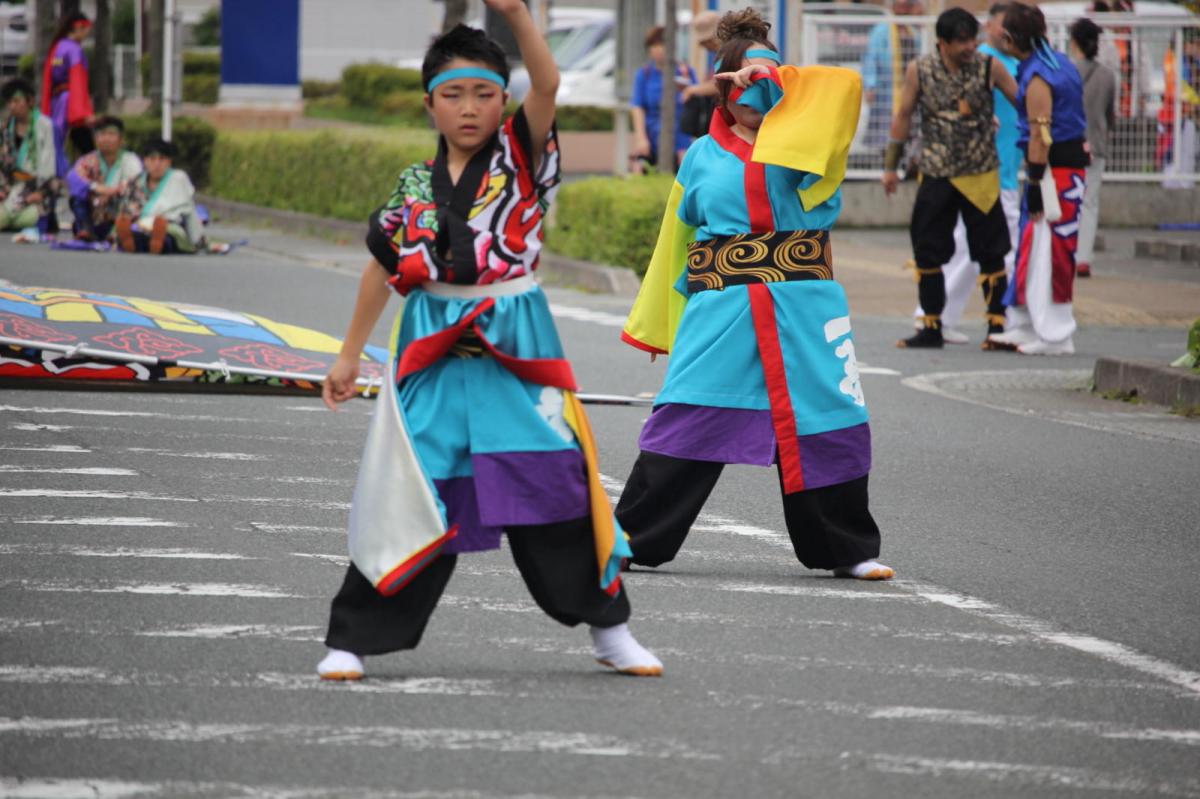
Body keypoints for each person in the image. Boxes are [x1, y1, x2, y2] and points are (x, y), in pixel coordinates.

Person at [315, 0, 662, 682]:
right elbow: (382, 269)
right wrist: (349, 354)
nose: (469, 108)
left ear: (504, 100)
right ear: (429, 105)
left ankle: (610, 630)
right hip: (434, 358)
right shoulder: (413, 184)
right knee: (412, 492)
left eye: (483, 93)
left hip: (516, 357)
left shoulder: (521, 156)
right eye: (453, 95)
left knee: (553, 486)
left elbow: (549, 84)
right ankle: (352, 639)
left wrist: (516, 15)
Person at [617, 9, 893, 582]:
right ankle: (631, 540)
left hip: (803, 307)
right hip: (721, 309)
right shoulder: (701, 154)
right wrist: (659, 324)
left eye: (765, 79)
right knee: (687, 417)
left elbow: (842, 90)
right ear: (719, 89)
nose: (750, 92)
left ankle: (845, 548)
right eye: (738, 81)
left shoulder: (808, 144)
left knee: (826, 420)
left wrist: (768, 77)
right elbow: (675, 242)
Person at [883, 8, 1019, 349]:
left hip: (980, 173)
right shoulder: (920, 70)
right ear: (942, 43)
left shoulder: (990, 66)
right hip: (937, 172)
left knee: (992, 252)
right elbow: (903, 115)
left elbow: (1023, 102)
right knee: (927, 250)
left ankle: (997, 327)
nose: (970, 47)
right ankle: (931, 327)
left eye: (972, 39)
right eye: (962, 41)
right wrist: (890, 167)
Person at [989, 3, 1089, 356]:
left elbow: (1039, 135)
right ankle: (1025, 324)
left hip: (1054, 172)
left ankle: (1056, 334)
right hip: (1053, 169)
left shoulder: (1039, 76)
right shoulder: (1056, 62)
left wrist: (1033, 183)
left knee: (1052, 251)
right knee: (1032, 248)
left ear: (1009, 37)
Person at [1069, 18, 1116, 278]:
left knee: (1067, 200)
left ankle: (1065, 251)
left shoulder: (1066, 72)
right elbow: (1110, 116)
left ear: (1074, 42)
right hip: (1096, 146)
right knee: (1089, 202)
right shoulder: (1108, 76)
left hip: (1068, 144)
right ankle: (1083, 258)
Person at [114, 138, 206, 254]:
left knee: (169, 239)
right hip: (142, 226)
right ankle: (133, 243)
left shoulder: (178, 178)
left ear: (169, 162)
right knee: (136, 236)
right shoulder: (135, 182)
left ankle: (156, 242)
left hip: (169, 225)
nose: (157, 164)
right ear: (145, 161)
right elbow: (126, 209)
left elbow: (188, 210)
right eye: (152, 159)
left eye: (162, 159)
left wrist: (198, 239)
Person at [630, 25, 697, 172]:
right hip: (652, 138)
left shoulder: (685, 72)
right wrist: (641, 139)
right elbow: (637, 107)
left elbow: (696, 105)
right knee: (639, 170)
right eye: (654, 45)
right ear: (649, 49)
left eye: (663, 44)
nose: (659, 49)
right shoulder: (644, 74)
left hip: (682, 139)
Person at [66, 116, 143, 242]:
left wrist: (112, 192)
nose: (106, 139)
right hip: (96, 210)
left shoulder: (130, 160)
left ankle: (118, 232)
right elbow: (74, 179)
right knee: (76, 197)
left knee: (132, 196)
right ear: (95, 139)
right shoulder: (88, 160)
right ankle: (86, 229)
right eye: (102, 134)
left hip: (119, 208)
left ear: (121, 139)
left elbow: (135, 183)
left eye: (111, 134)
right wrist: (96, 188)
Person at [861, 0, 924, 149]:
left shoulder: (913, 32)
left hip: (908, 87)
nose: (903, 10)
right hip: (886, 90)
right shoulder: (880, 31)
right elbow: (870, 58)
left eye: (906, 6)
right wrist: (870, 85)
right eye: (899, 6)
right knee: (884, 130)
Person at [39, 12, 94, 178]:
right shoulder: (74, 50)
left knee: (55, 138)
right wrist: (81, 111)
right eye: (85, 30)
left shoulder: (57, 47)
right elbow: (77, 80)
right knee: (85, 145)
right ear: (78, 28)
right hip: (70, 101)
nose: (86, 34)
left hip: (56, 101)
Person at [0, 79, 59, 234]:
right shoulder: (5, 128)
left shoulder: (45, 125)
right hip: (10, 185)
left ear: (30, 101)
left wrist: (40, 193)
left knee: (26, 214)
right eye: (9, 102)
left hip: (35, 186)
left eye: (16, 101)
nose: (12, 106)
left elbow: (49, 164)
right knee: (16, 214)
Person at [679, 11, 721, 138]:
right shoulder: (718, 55)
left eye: (705, 41)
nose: (703, 46)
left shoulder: (727, 53)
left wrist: (693, 90)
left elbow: (720, 85)